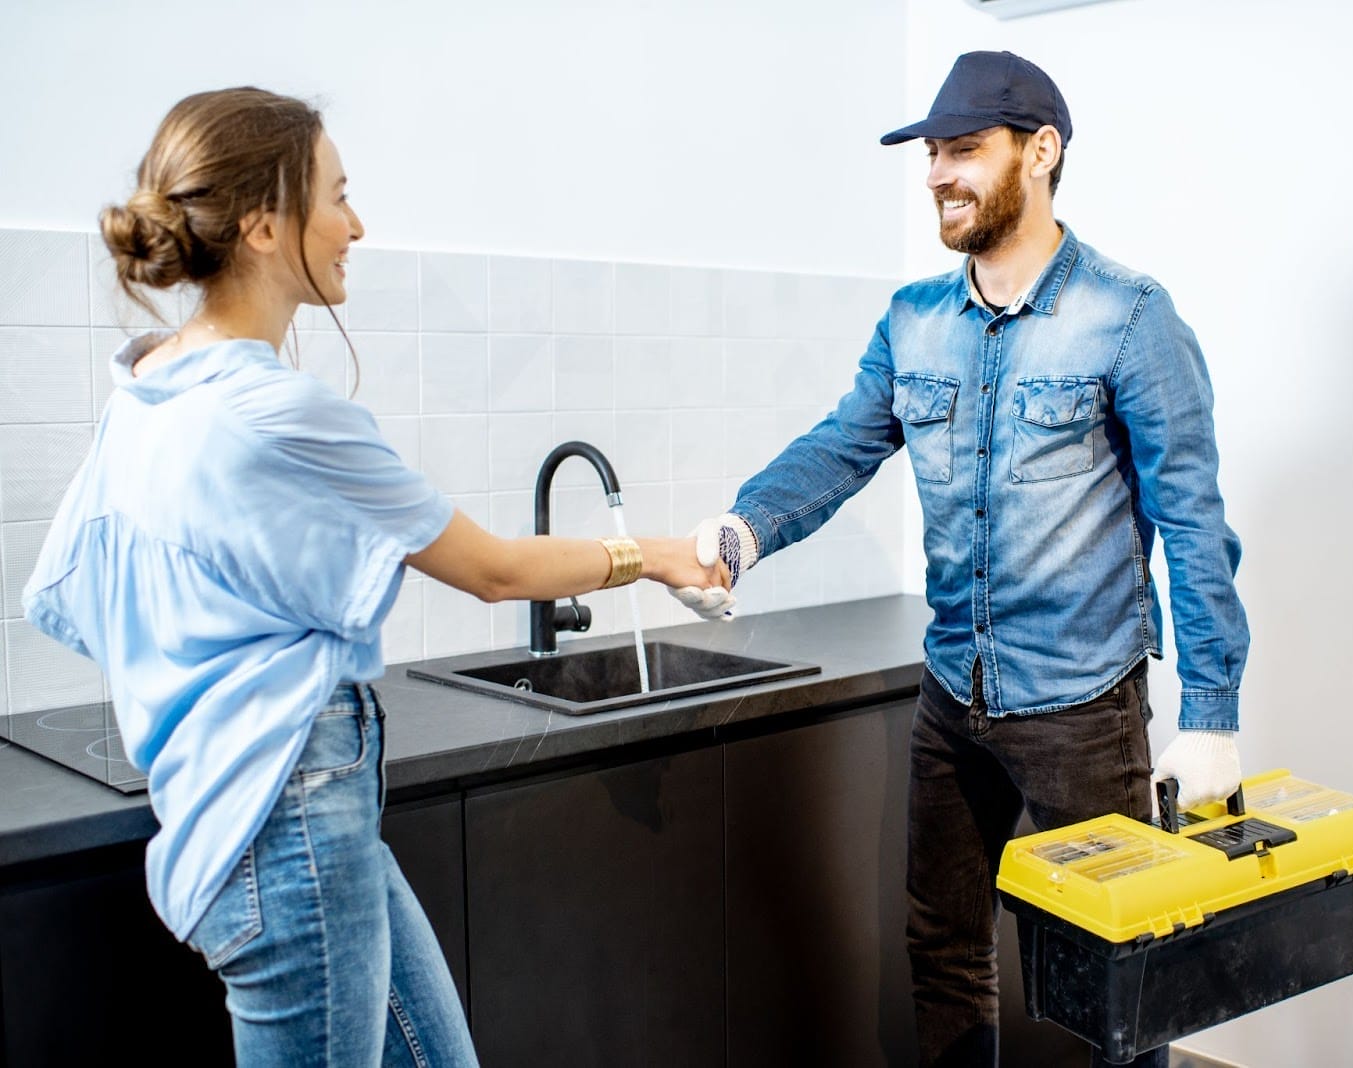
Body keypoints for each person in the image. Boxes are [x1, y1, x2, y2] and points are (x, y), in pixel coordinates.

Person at [22, 87, 726, 1068]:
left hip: (246, 809)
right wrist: (655, 554)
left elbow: (72, 592)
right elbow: (491, 569)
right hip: (287, 819)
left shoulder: (146, 386)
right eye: (336, 195)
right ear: (266, 225)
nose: (357, 224)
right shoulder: (280, 411)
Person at [671, 51, 1249, 1067]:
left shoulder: (1129, 317)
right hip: (953, 698)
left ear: (1041, 151)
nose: (940, 173)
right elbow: (842, 444)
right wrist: (743, 529)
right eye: (932, 154)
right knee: (943, 949)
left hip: (1082, 706)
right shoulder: (912, 321)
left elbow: (1195, 526)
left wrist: (1211, 714)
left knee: (1111, 973)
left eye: (964, 151)